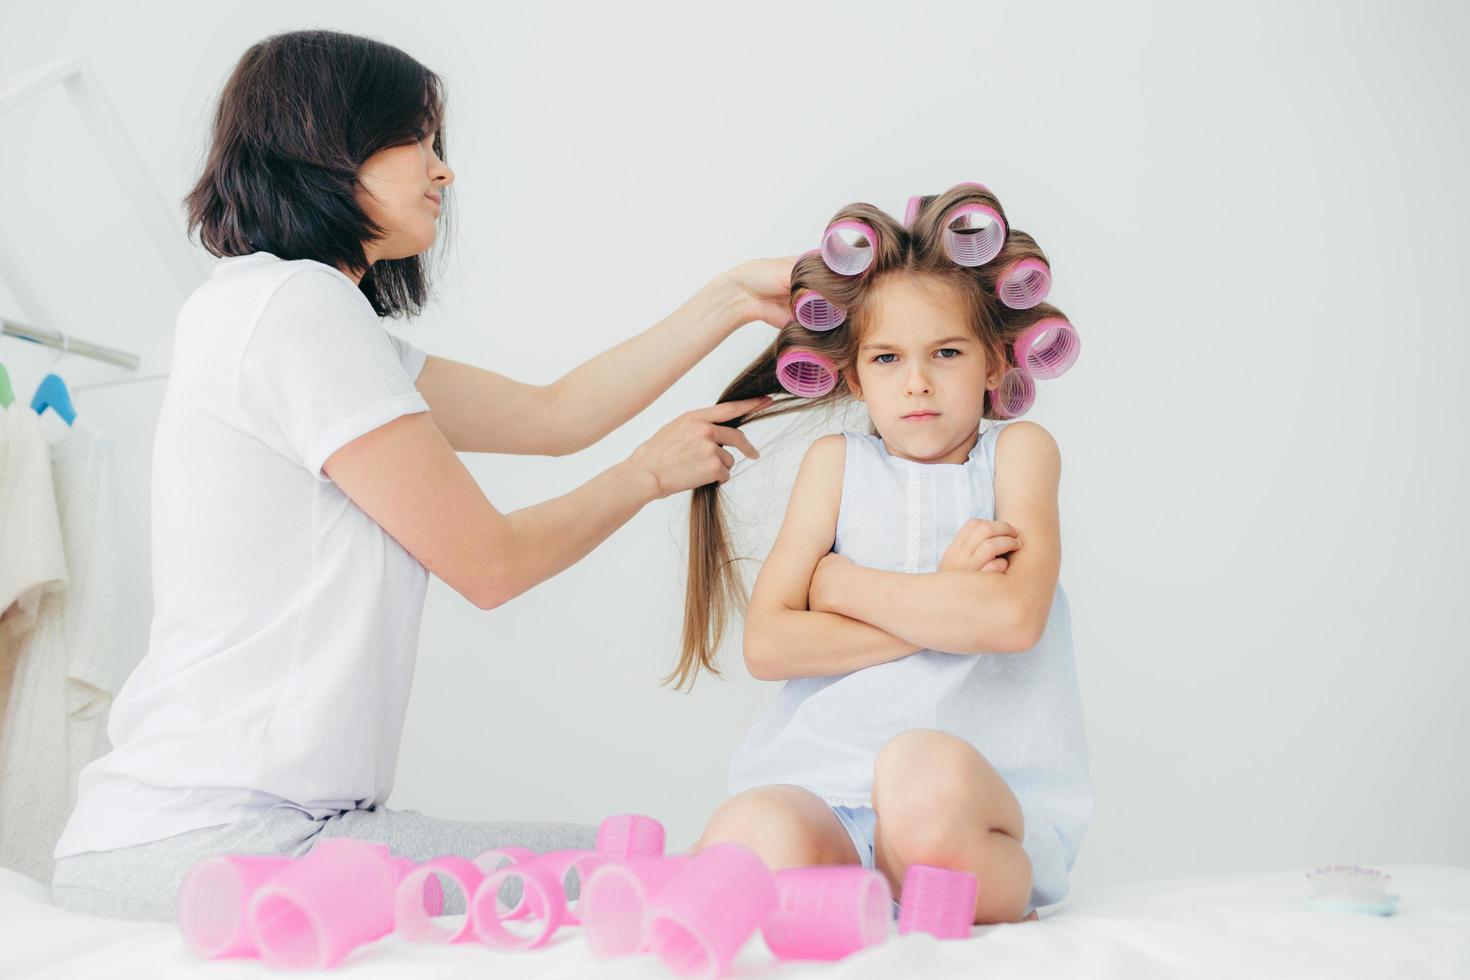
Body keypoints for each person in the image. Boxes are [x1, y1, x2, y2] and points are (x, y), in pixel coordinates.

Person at [48, 29, 794, 922]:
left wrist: (734, 300)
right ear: (327, 139)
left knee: (623, 872)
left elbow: (555, 416)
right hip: (222, 842)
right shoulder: (296, 309)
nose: (445, 173)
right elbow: (492, 563)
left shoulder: (282, 312)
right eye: (420, 140)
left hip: (218, 835)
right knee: (628, 879)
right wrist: (645, 474)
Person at [672, 183, 1093, 924]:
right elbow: (770, 644)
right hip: (828, 783)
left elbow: (1012, 620)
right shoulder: (836, 464)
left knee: (916, 775)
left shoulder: (1019, 454)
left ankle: (941, 900)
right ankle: (844, 910)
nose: (918, 381)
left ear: (996, 363)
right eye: (889, 357)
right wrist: (942, 600)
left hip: (968, 805)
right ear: (856, 373)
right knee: (748, 833)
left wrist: (842, 585)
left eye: (948, 352)